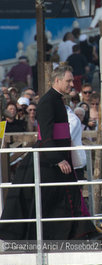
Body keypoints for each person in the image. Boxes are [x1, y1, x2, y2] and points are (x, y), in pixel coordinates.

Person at [0, 65, 96, 240]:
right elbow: (46, 134)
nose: (71, 84)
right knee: (46, 199)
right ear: (57, 80)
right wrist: (58, 159)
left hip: (60, 154)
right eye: (68, 81)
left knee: (65, 197)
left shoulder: (58, 99)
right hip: (50, 158)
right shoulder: (46, 101)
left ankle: (76, 234)